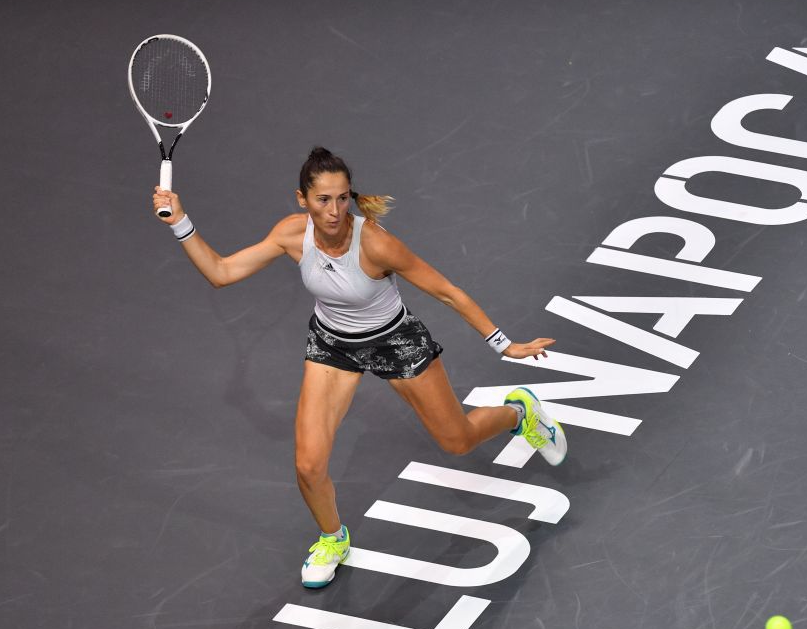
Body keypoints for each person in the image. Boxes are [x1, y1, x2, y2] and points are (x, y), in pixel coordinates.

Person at [152, 147, 567, 588]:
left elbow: (448, 292)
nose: (334, 211)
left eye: (342, 198)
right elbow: (221, 272)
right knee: (309, 465)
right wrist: (180, 222)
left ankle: (521, 413)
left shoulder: (376, 243)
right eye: (323, 200)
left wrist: (505, 346)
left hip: (396, 342)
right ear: (301, 199)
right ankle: (333, 538)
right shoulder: (292, 235)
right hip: (334, 346)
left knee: (458, 441)